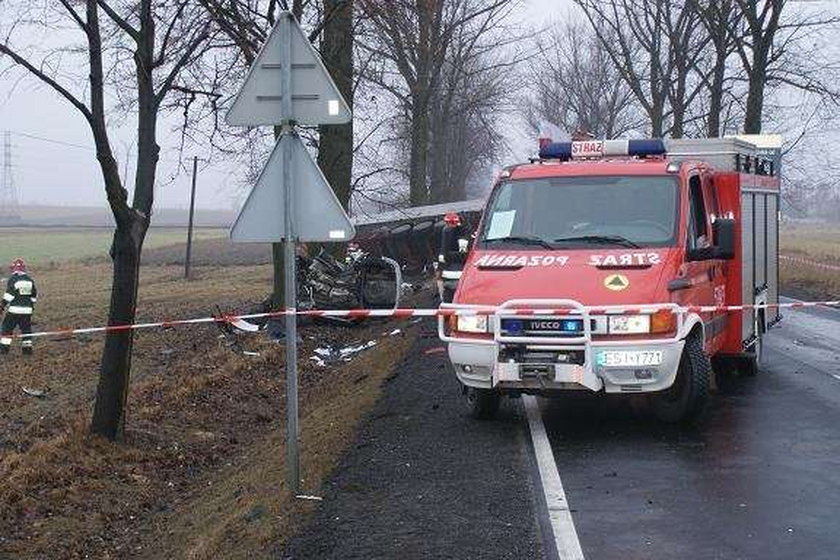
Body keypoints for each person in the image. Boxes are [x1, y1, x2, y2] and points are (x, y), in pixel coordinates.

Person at [0, 258, 37, 355]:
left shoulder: (13, 279)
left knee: (6, 328)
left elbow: (9, 294)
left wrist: (2, 306)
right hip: (27, 311)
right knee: (26, 330)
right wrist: (31, 306)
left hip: (14, 310)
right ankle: (27, 350)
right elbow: (34, 296)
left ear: (13, 268)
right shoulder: (30, 280)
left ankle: (4, 350)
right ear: (24, 269)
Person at [437, 213, 470, 303]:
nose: (450, 225)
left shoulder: (450, 232)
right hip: (452, 277)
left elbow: (463, 254)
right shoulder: (448, 232)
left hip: (455, 276)